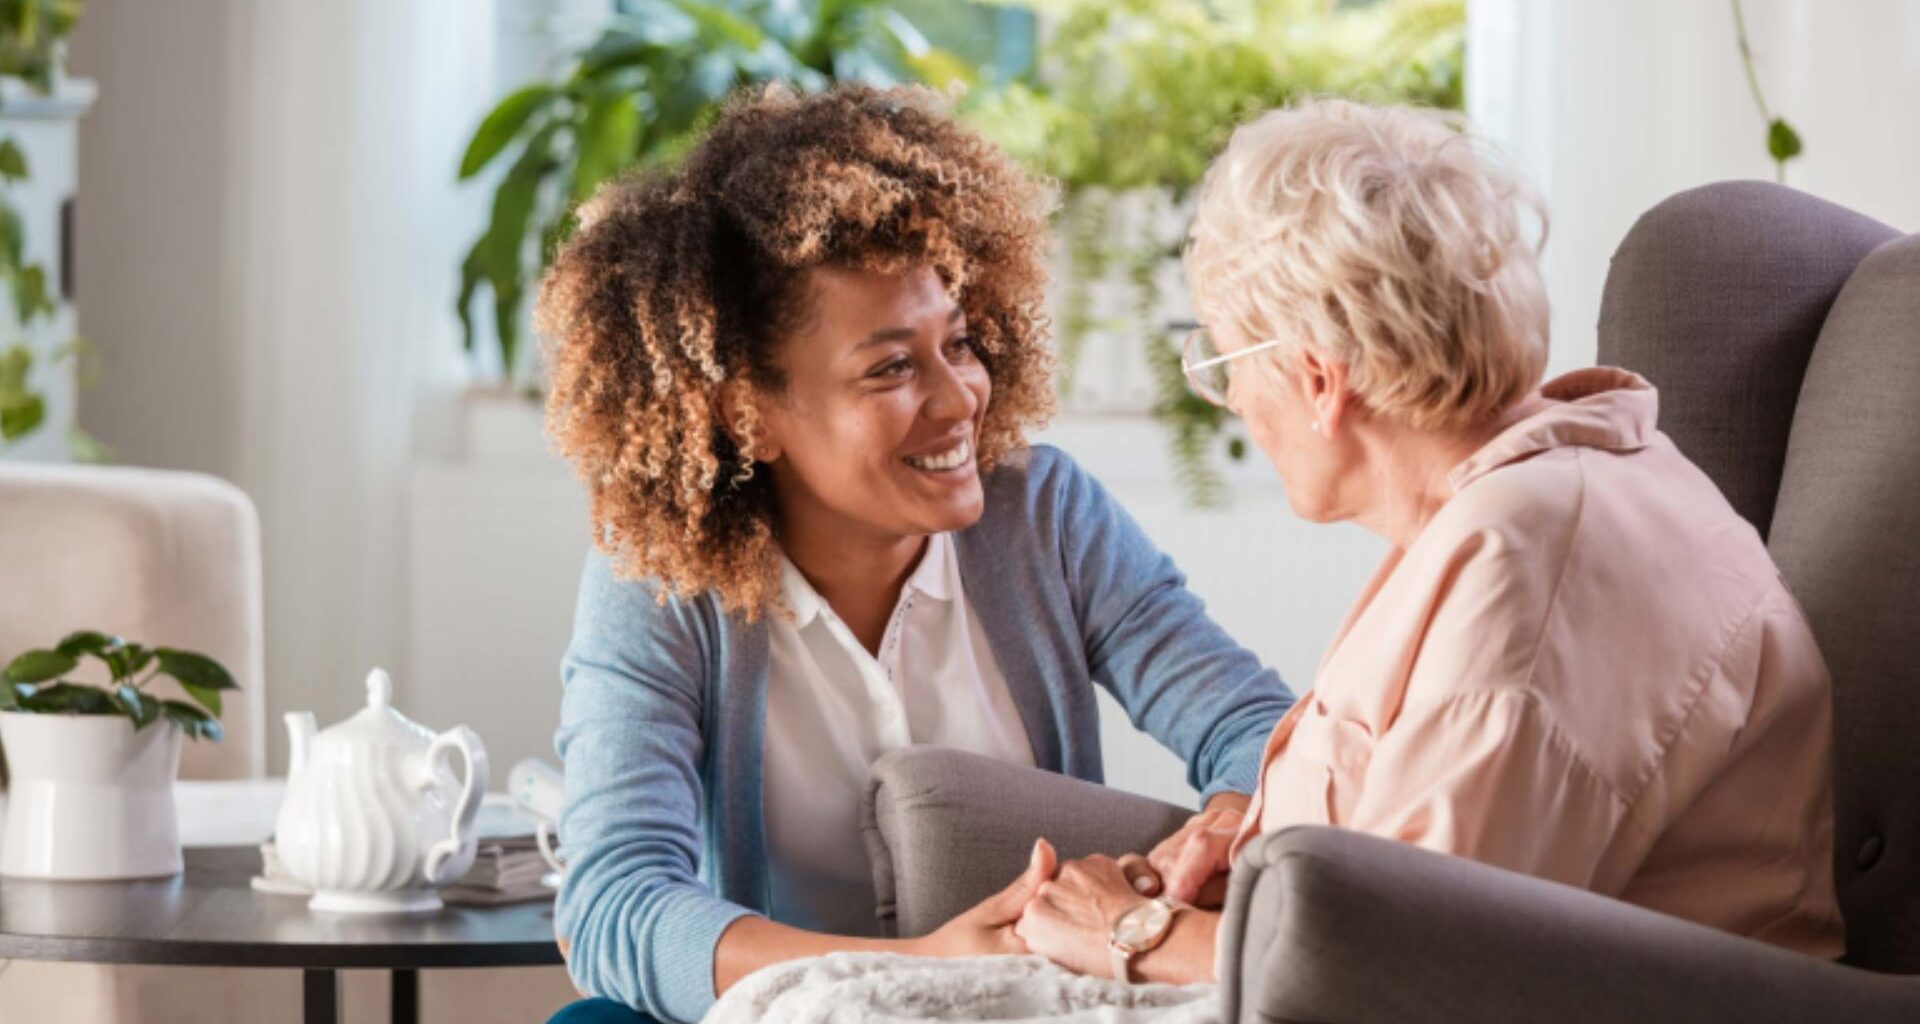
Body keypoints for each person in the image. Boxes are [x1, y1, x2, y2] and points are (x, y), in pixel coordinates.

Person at [1011, 98, 1844, 985]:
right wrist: (1259, 846)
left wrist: (1134, 933)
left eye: (1222, 366)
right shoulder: (1535, 493)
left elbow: (1411, 968)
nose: (1238, 405)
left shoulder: (1528, 562)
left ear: (1318, 378)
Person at [537, 84, 1295, 1024]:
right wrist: (911, 967)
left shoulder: (1045, 517)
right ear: (747, 413)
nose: (960, 398)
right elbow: (616, 902)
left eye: (960, 343)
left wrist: (1221, 830)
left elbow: (1261, 734)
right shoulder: (662, 586)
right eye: (891, 367)